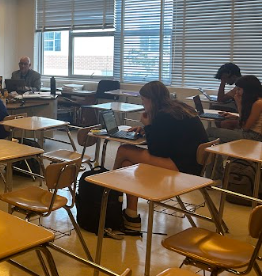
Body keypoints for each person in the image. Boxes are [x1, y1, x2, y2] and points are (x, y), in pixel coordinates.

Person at [112, 81, 207, 231]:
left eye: (143, 100)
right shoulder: (179, 108)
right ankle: (131, 216)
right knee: (126, 165)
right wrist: (148, 129)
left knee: (124, 150)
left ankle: (112, 193)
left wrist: (148, 125)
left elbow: (157, 151)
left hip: (181, 167)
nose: (143, 104)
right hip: (193, 164)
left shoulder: (163, 115)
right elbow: (169, 135)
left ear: (150, 99)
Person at [208, 75, 262, 143]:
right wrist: (235, 117)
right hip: (250, 134)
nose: (237, 92)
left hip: (253, 136)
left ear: (247, 90)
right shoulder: (253, 101)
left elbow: (245, 127)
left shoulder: (258, 103)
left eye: (239, 89)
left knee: (210, 131)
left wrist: (239, 104)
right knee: (213, 139)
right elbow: (247, 120)